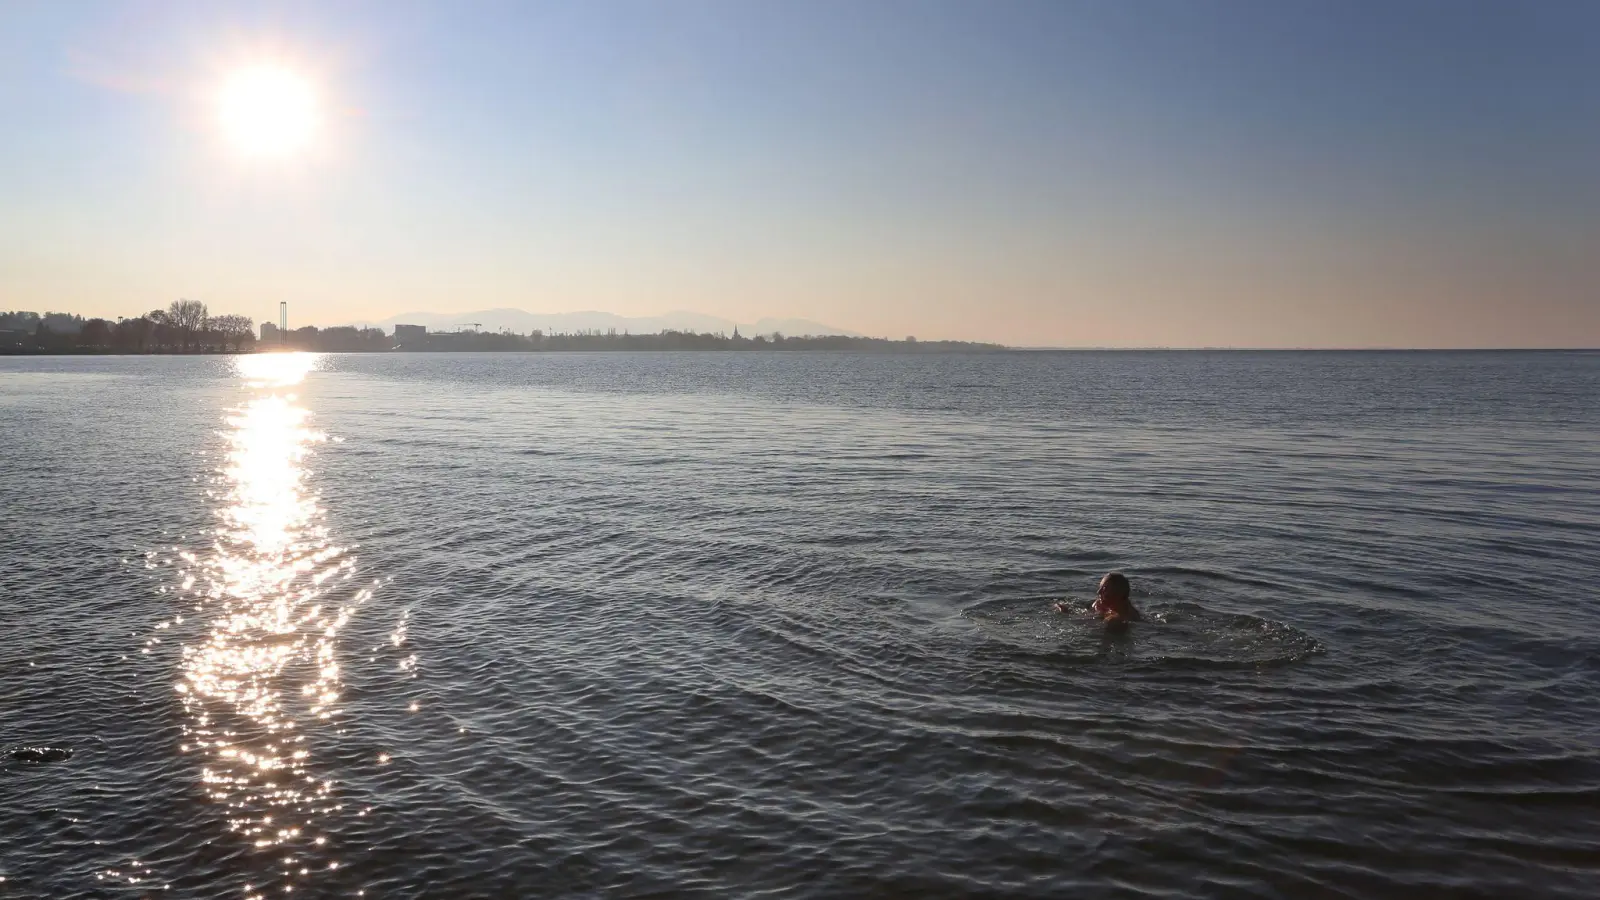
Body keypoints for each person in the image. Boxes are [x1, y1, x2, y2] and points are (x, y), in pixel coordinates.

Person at [1055, 572, 1142, 626]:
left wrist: (1066, 613)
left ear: (1119, 593)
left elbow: (1084, 625)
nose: (1098, 592)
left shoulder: (1115, 619)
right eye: (1100, 588)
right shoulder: (1126, 607)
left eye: (1104, 589)